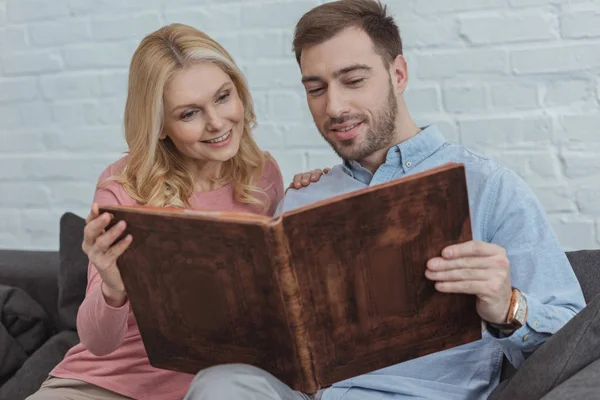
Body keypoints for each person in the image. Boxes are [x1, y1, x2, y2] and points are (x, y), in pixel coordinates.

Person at [184, 1, 593, 400]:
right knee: (223, 379)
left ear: (398, 74)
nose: (335, 106)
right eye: (316, 88)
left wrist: (508, 306)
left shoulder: (489, 187)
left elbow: (576, 340)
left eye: (354, 80)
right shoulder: (303, 199)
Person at [25, 23, 325, 400]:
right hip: (109, 382)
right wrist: (113, 286)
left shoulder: (261, 174)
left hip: (220, 384)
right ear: (160, 126)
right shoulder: (124, 187)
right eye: (189, 114)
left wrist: (312, 198)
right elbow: (99, 344)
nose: (217, 122)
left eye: (222, 97)